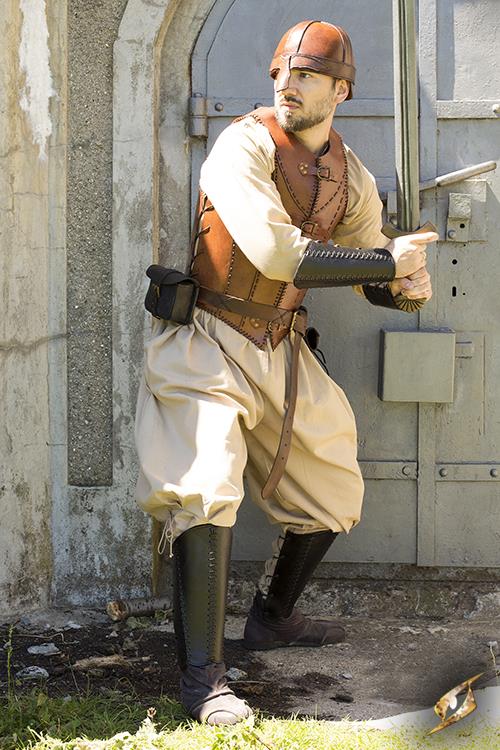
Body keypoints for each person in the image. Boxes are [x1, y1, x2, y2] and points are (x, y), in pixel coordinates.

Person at [135, 20, 436, 725]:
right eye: (281, 74)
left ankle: (272, 620)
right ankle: (204, 681)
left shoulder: (348, 173)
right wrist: (387, 261)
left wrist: (403, 285)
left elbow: (365, 267)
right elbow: (277, 255)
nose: (286, 86)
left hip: (281, 346)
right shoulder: (242, 145)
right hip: (208, 340)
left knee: (332, 482)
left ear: (340, 90)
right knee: (204, 483)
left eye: (305, 76)